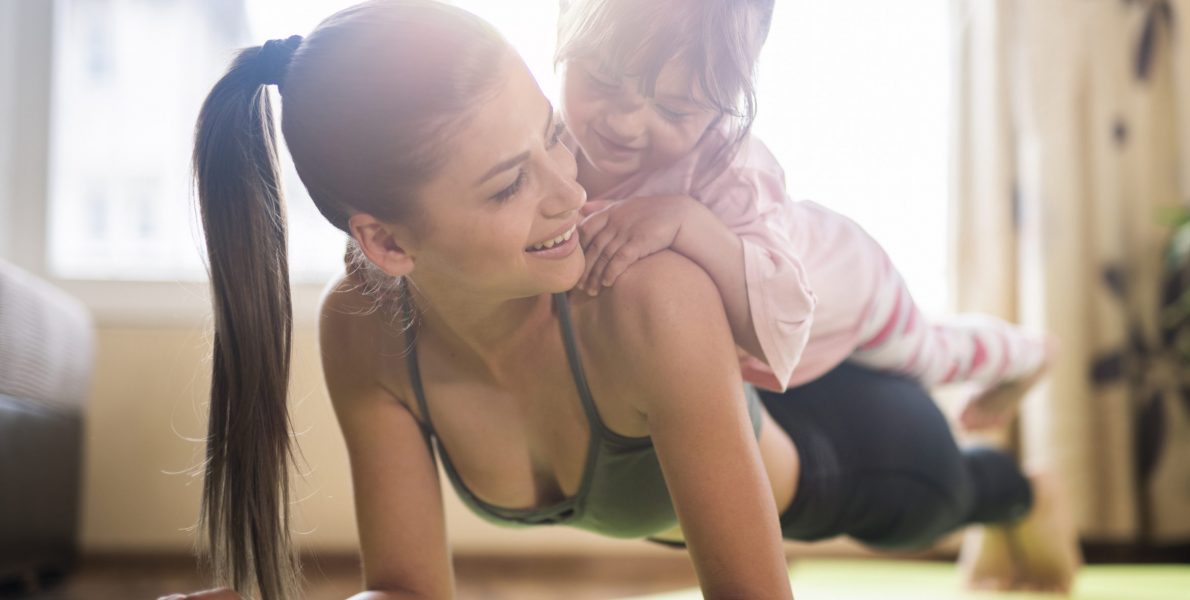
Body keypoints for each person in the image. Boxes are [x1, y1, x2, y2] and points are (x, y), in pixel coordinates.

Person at [164, 1, 1079, 598]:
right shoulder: (360, 333)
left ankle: (1022, 491)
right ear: (386, 242)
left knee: (959, 490)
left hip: (848, 444)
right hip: (718, 405)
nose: (573, 190)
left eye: (554, 139)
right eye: (506, 185)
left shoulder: (653, 293)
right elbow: (407, 590)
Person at [558, 0, 1053, 432]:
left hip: (854, 288)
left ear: (725, 106)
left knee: (931, 355)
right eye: (600, 80)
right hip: (809, 259)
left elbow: (787, 318)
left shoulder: (729, 173)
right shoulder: (549, 143)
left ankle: (1029, 354)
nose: (623, 122)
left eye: (673, 110)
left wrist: (685, 221)